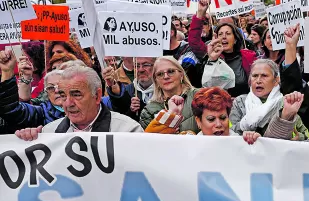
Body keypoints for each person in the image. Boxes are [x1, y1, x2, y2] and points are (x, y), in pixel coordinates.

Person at [14, 66, 142, 140]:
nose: (68, 103)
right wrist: (29, 141)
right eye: (63, 95)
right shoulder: (49, 132)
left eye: (76, 95)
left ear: (97, 96)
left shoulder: (128, 131)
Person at [144, 86, 260, 143]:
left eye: (223, 118)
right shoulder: (188, 142)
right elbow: (149, 144)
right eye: (211, 119)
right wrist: (172, 114)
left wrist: (255, 143)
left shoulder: (242, 142)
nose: (219, 124)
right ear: (198, 121)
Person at [229, 59, 308, 138]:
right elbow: (230, 132)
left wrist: (296, 138)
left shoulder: (285, 102)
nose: (258, 80)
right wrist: (245, 125)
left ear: (276, 80)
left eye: (264, 76)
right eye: (255, 76)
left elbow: (304, 135)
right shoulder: (240, 102)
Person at [0, 51, 64, 132]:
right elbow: (12, 110)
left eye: (61, 85)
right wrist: (7, 72)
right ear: (46, 93)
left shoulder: (84, 108)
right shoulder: (42, 112)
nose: (57, 90)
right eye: (51, 88)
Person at [139, 57, 199, 132]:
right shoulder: (149, 111)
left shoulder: (199, 96)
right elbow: (148, 141)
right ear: (156, 80)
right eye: (160, 74)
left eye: (171, 71)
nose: (166, 77)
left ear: (181, 74)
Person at [200, 22, 257, 97]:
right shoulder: (210, 59)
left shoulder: (248, 57)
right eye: (220, 34)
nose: (224, 37)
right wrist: (212, 59)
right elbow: (207, 85)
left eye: (228, 33)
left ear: (235, 39)